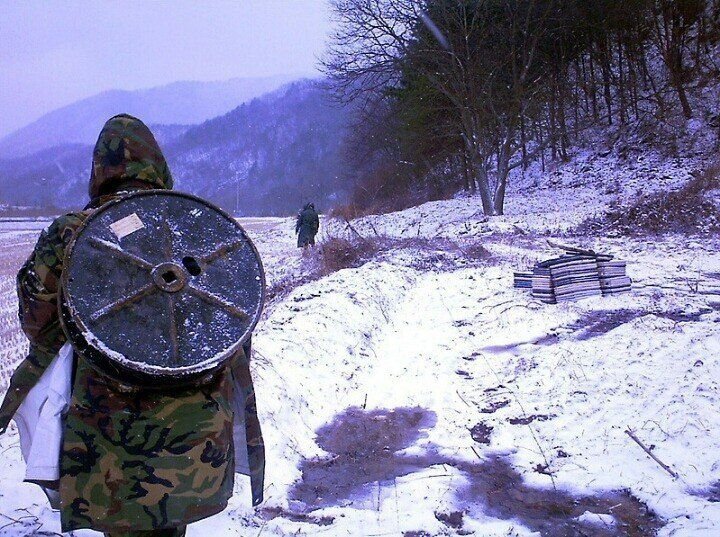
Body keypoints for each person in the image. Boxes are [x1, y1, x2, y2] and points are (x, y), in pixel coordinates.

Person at [0, 114, 265, 537]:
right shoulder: (191, 227)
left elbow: (36, 320)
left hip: (110, 433)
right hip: (195, 429)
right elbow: (230, 322)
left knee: (126, 522)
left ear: (98, 172)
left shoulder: (71, 233)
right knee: (170, 521)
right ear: (158, 167)